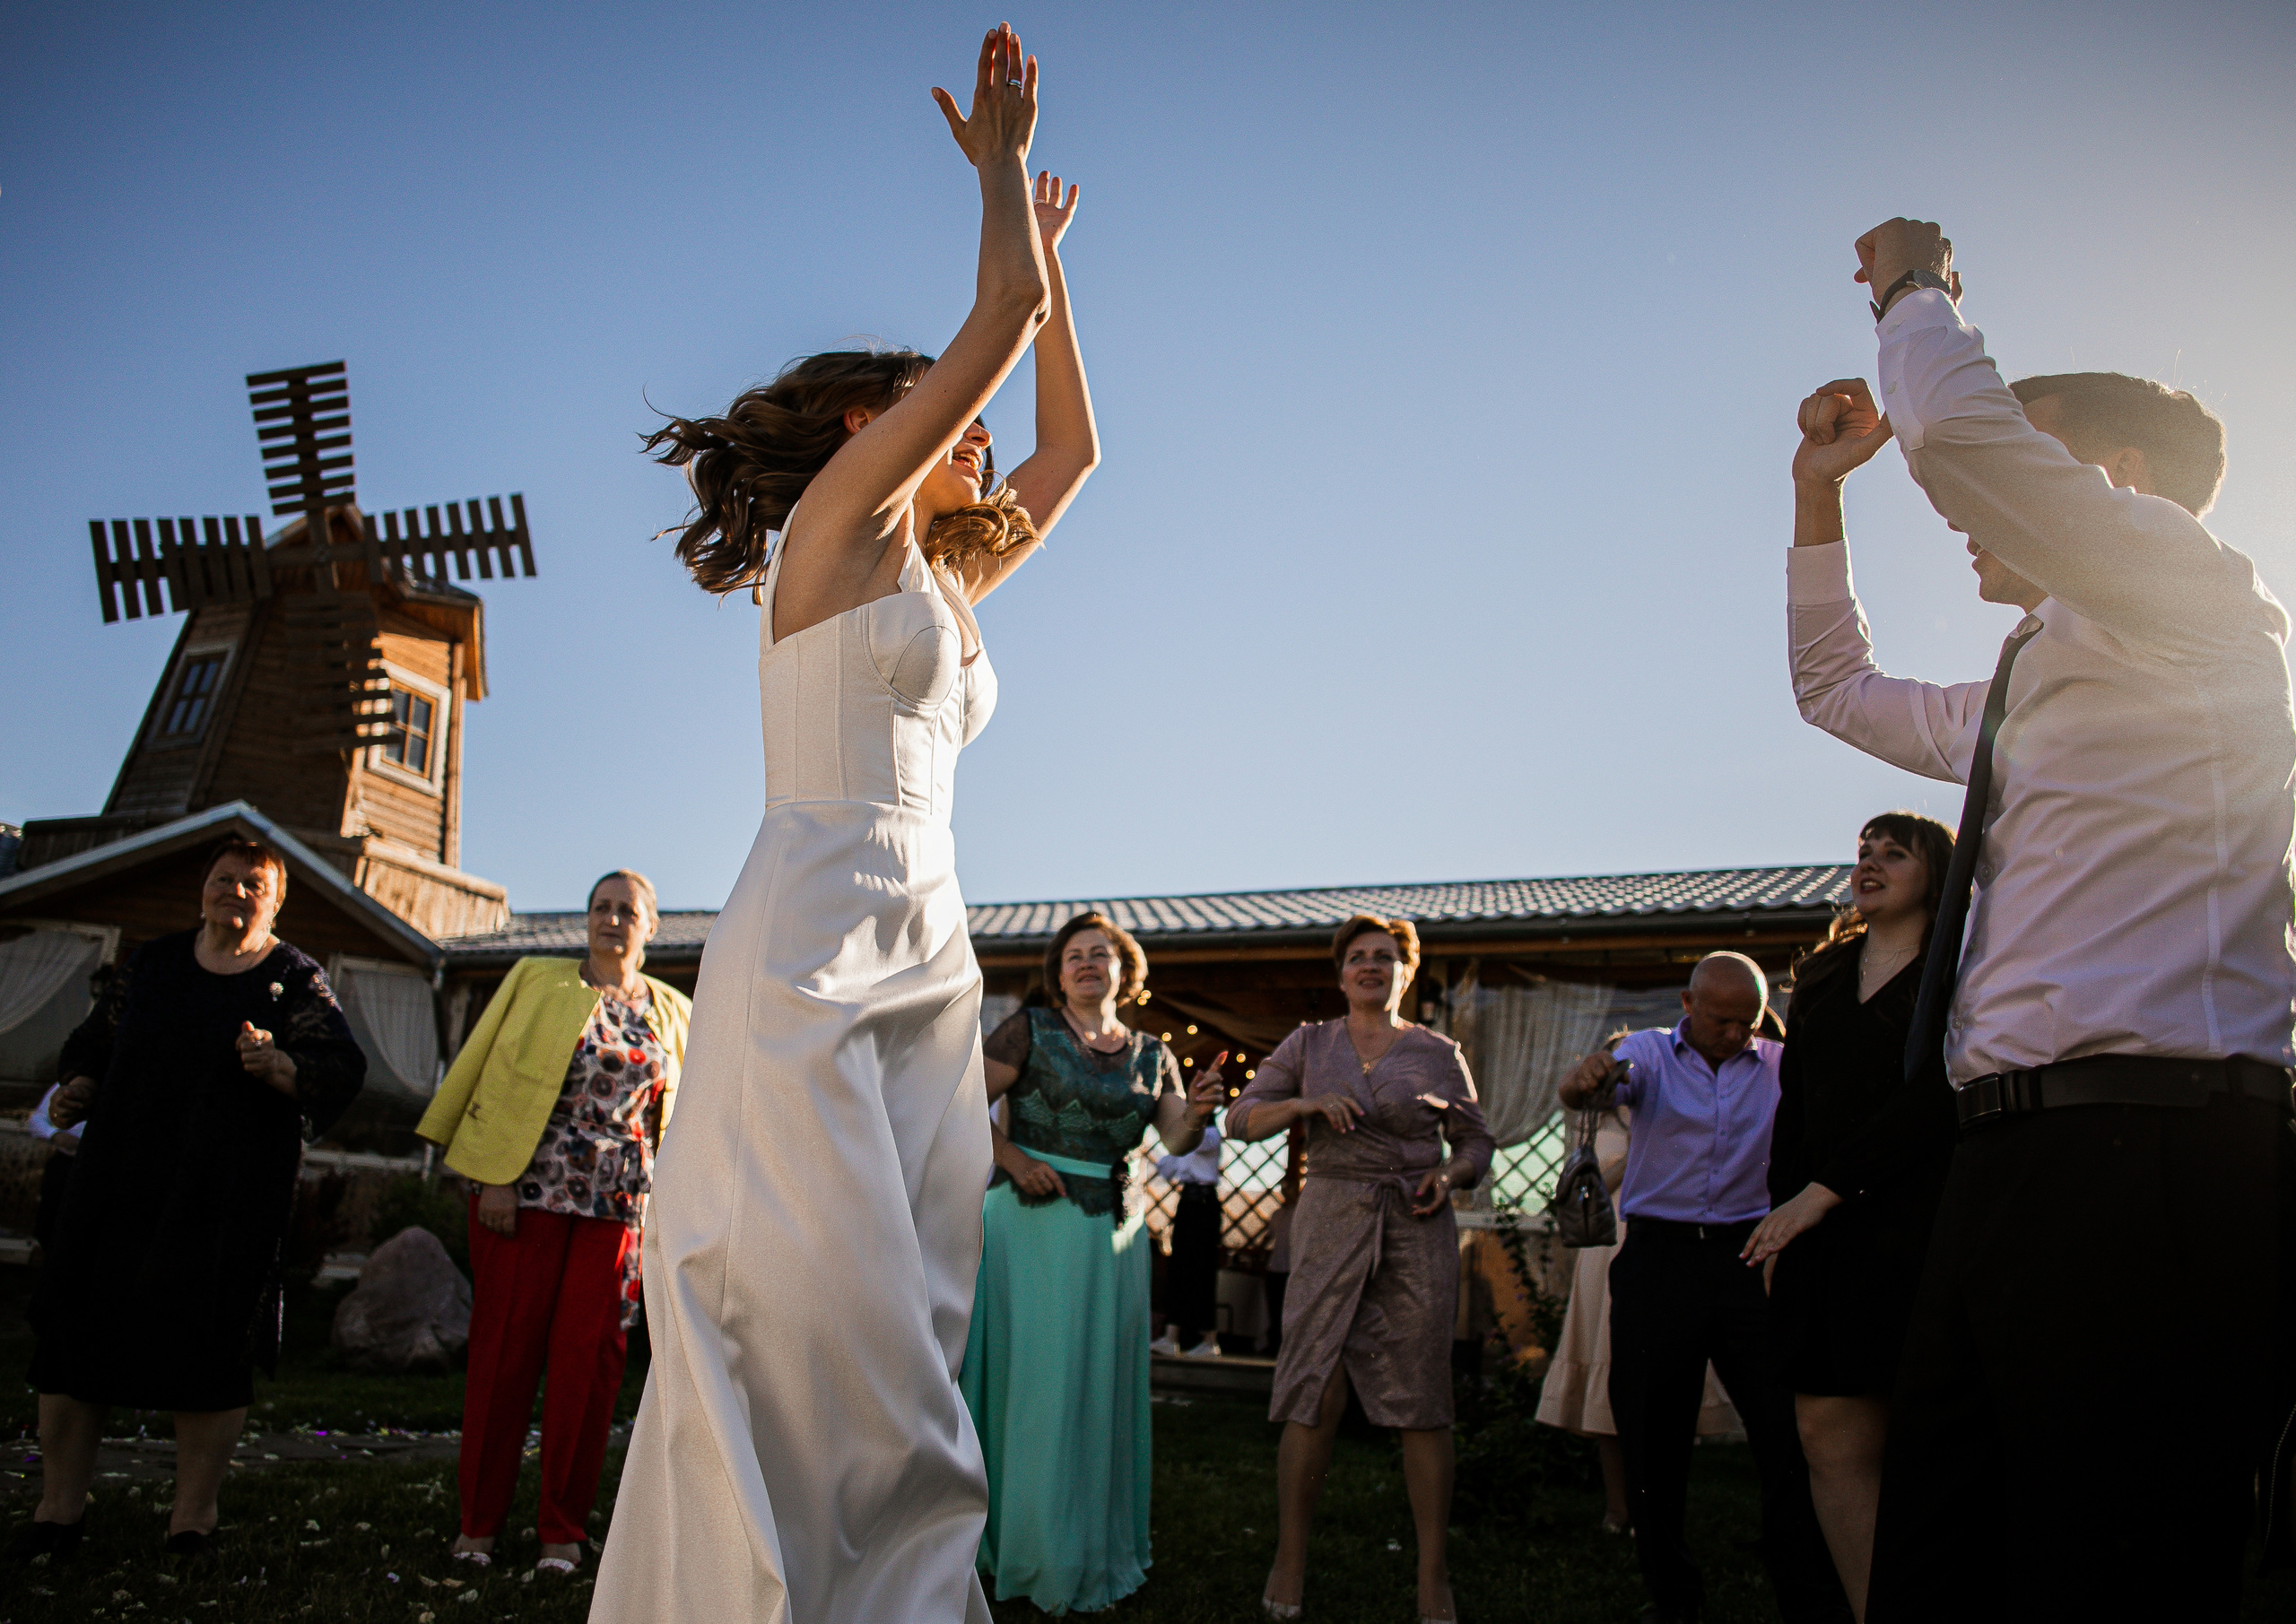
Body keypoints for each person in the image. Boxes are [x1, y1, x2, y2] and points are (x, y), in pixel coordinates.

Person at [592, 26, 1100, 1622]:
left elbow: (1073, 449)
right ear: (865, 433)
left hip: (930, 948)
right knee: (827, 1312)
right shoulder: (840, 531)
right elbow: (998, 326)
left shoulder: (946, 578)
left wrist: (1054, 264)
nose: (974, 437)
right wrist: (1004, 176)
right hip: (814, 930)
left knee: (917, 1325)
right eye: (941, 416)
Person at [1786, 216, 2296, 1621]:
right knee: (1944, 1557)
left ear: (2115, 483)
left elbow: (1958, 436)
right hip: (2008, 1158)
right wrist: (1818, 492)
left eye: (2036, 448)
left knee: (2108, 1566)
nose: (1965, 512)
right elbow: (1835, 689)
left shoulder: (2195, 599)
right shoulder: (2030, 679)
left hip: (2152, 1149)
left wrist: (1915, 286)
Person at [9, 838, 365, 1564]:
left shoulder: (293, 978)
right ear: (203, 889)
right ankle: (57, 1512)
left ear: (276, 903)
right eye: (224, 879)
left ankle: (192, 1521)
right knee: (75, 1339)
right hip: (118, 1180)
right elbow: (93, 1041)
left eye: (254, 884)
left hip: (225, 1194)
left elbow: (340, 1066)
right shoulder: (153, 963)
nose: (236, 891)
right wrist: (79, 1084)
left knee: (208, 1350)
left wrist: (279, 1063)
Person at [416, 870, 691, 1578]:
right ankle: (477, 1526)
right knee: (503, 1359)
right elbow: (490, 1071)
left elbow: (688, 1114)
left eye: (626, 909)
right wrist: (494, 1177)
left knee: (587, 1368)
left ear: (650, 925)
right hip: (524, 1192)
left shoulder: (675, 1010)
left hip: (619, 1209)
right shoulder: (536, 979)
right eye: (601, 906)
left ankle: (561, 1532)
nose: (611, 919)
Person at [1557, 953, 1847, 1624]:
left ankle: (1805, 1592)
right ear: (1688, 1004)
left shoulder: (1778, 1065)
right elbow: (1587, 1091)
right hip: (1659, 1258)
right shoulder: (1648, 1053)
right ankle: (1673, 1598)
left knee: (1784, 1429)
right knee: (1652, 1436)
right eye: (1722, 1021)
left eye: (1749, 1022)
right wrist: (1584, 1077)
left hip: (1749, 1256)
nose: (1737, 1035)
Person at [1227, 915, 1493, 1624]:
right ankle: (1289, 1557)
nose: (1371, 965)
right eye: (1358, 957)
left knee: (1423, 1396)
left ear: (1407, 973)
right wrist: (1302, 1102)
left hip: (1415, 1224)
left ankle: (1433, 1573)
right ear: (1341, 974)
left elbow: (1476, 1141)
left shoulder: (1440, 1052)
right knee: (1313, 1386)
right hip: (1329, 1223)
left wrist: (1451, 1174)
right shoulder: (1308, 1043)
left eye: (1386, 956)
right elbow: (1239, 1118)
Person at [961, 911, 1224, 1614]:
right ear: (1059, 971)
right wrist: (1013, 1158)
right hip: (1030, 1223)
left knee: (1096, 1385)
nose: (1086, 963)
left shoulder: (1152, 1053)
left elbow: (1175, 1138)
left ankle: (1086, 1543)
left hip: (1113, 1235)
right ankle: (1017, 1545)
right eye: (1074, 954)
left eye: (1099, 953)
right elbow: (959, 1104)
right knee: (1036, 1382)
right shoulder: (1027, 1029)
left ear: (1124, 970)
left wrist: (1199, 1110)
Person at [1737, 813, 1953, 1620]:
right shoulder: (1823, 975)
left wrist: (1824, 1191)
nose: (1870, 862)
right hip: (1819, 1228)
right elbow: (1795, 1112)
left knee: (1923, 1437)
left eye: (1894, 853)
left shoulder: (1961, 970)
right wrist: (1782, 1224)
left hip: (1923, 1223)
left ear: (1937, 875)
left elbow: (1938, 1098)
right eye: (1864, 851)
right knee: (1828, 1428)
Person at [1536, 1036, 1743, 1536]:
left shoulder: (1677, 1115)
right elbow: (1586, 1191)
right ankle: (1618, 1509)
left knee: (1663, 1380)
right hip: (1606, 1252)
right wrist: (1641, 1151)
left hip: (1666, 1249)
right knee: (1610, 1378)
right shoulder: (1594, 1123)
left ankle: (1661, 1512)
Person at [1150, 1100, 1223, 1359]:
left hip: (1204, 1203)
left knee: (1202, 1269)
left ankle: (1209, 1340)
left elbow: (1193, 1145)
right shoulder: (1189, 1143)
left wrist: (1181, 1136)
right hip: (1188, 1203)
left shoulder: (1211, 1135)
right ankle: (1172, 1337)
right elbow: (1165, 1169)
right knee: (1180, 1268)